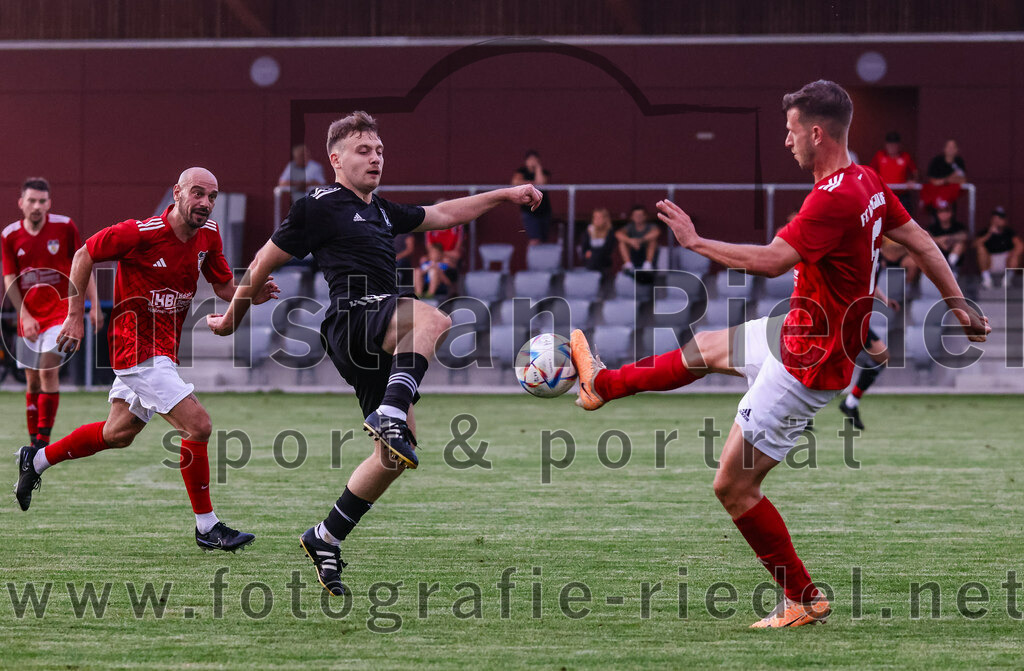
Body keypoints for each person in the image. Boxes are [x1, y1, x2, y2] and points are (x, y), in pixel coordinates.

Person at [569, 80, 988, 628]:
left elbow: (771, 260)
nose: (786, 140)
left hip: (805, 364)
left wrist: (696, 244)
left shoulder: (833, 197)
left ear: (816, 132)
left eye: (790, 130)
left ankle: (803, 599)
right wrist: (957, 307)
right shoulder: (866, 182)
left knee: (734, 488)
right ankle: (603, 385)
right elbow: (921, 241)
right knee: (703, 349)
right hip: (798, 328)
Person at [207, 111, 541, 595]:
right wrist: (231, 318)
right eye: (364, 150)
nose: (375, 158)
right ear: (335, 158)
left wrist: (505, 195)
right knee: (435, 318)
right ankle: (389, 409)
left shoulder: (382, 209)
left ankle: (326, 536)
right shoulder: (318, 204)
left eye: (380, 151)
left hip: (374, 333)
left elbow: (445, 213)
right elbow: (263, 259)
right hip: (352, 318)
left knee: (393, 455)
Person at [14, 168, 279, 553]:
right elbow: (84, 253)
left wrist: (247, 295)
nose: (205, 203)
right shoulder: (140, 233)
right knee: (199, 426)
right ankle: (207, 527)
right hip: (134, 348)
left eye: (212, 196)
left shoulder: (209, 236)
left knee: (117, 433)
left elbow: (222, 284)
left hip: (162, 351)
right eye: (198, 194)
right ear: (177, 193)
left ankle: (35, 460)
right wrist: (74, 314)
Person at [2, 178, 103, 448]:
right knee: (32, 381)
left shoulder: (64, 226)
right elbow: (9, 277)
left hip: (61, 312)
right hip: (29, 316)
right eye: (31, 201)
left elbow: (83, 265)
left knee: (47, 370)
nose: (37, 206)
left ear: (49, 203)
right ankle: (33, 442)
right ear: (21, 203)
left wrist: (92, 305)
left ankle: (42, 443)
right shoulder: (10, 235)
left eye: (42, 201)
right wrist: (23, 315)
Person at [838, 286, 901, 430]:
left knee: (882, 356)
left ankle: (851, 403)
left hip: (855, 319)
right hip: (839, 316)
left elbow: (869, 280)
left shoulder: (874, 263)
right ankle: (798, 411)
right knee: (821, 364)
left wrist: (884, 299)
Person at [870, 131, 918, 214]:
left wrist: (912, 180)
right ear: (886, 145)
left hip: (902, 196)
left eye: (894, 144)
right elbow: (870, 172)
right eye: (890, 144)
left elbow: (915, 172)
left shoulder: (905, 157)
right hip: (884, 195)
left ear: (899, 146)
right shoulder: (879, 155)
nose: (892, 147)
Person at [975, 206, 1023, 289]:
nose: (997, 220)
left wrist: (1013, 254)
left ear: (1005, 221)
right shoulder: (985, 232)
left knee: (1017, 250)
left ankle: (1007, 279)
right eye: (995, 218)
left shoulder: (1009, 232)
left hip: (1006, 262)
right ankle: (987, 279)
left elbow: (1020, 246)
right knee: (980, 249)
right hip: (990, 262)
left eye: (1000, 218)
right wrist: (989, 234)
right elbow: (975, 244)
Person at [511, 149, 552, 245]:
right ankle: (532, 260)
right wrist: (533, 184)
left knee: (543, 240)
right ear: (526, 161)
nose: (532, 162)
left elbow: (541, 183)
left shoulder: (543, 172)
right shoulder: (521, 171)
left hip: (544, 210)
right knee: (534, 240)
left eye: (535, 160)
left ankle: (542, 260)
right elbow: (515, 182)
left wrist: (537, 167)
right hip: (528, 211)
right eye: (530, 159)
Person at [926, 199, 968, 270]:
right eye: (941, 212)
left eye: (947, 211)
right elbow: (926, 239)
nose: (944, 214)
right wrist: (939, 241)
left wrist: (948, 238)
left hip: (953, 259)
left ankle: (949, 268)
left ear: (952, 213)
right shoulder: (932, 228)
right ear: (937, 214)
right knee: (930, 245)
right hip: (936, 259)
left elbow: (965, 236)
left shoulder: (958, 226)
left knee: (960, 245)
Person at [616, 205, 661, 272]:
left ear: (645, 216)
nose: (638, 217)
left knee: (652, 241)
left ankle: (648, 264)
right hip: (633, 251)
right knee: (622, 243)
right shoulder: (630, 226)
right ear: (632, 217)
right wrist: (630, 241)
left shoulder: (650, 226)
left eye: (640, 215)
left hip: (646, 251)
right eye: (636, 215)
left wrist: (641, 240)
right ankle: (628, 264)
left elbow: (656, 232)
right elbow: (618, 233)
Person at [580, 207, 615, 275]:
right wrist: (587, 252)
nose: (597, 220)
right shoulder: (589, 230)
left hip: (603, 258)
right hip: (590, 257)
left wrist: (594, 253)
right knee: (591, 257)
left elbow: (608, 248)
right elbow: (584, 246)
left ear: (605, 219)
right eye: (595, 217)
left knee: (595, 256)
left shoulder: (609, 231)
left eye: (600, 217)